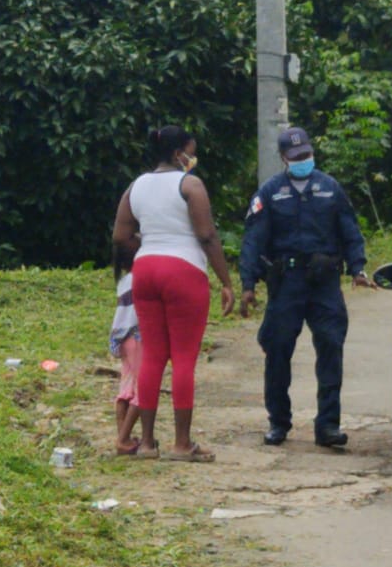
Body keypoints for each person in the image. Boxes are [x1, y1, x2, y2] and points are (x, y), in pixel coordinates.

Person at [238, 126, 376, 449]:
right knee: (278, 350)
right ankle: (278, 422)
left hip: (324, 282)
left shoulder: (330, 188)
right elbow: (253, 240)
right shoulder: (270, 193)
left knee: (330, 346)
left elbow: (350, 231)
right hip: (286, 283)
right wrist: (248, 284)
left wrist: (357, 267)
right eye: (296, 157)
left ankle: (328, 425)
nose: (303, 160)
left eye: (306, 155)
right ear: (284, 158)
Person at [111, 125, 236, 462]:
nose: (193, 156)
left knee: (152, 355)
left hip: (146, 270)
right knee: (183, 359)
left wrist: (152, 245)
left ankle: (148, 444)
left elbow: (120, 236)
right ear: (180, 151)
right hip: (183, 271)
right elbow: (207, 235)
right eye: (191, 150)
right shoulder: (190, 184)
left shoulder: (135, 187)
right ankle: (182, 444)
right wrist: (225, 280)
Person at [109, 243, 144, 457]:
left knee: (126, 388)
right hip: (139, 337)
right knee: (143, 390)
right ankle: (123, 439)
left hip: (122, 338)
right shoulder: (141, 279)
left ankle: (123, 437)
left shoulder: (123, 282)